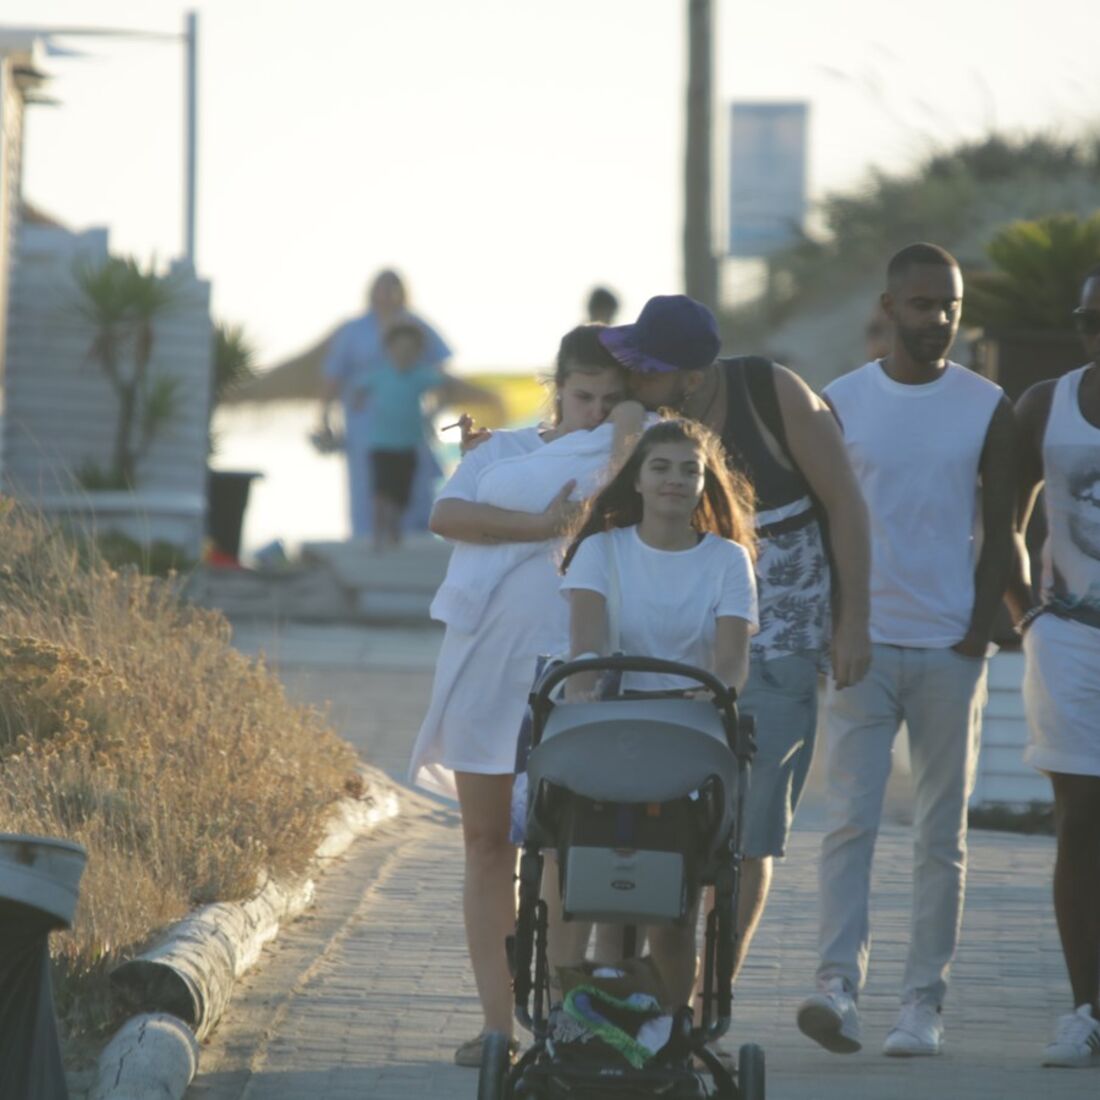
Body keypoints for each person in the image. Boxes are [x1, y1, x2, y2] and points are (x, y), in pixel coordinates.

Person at [595, 294, 872, 988]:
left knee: (749, 835)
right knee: (660, 820)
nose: (633, 382)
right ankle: (645, 986)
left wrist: (853, 622)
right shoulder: (655, 428)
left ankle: (707, 1000)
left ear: (689, 376)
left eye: (645, 372)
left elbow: (845, 504)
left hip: (781, 643)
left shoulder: (772, 392)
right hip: (684, 648)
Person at [796, 242, 1016, 1058]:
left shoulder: (985, 403)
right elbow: (820, 523)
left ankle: (922, 1003)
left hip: (949, 652)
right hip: (863, 645)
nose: (939, 321)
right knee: (849, 824)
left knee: (939, 837)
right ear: (890, 310)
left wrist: (978, 625)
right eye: (924, 306)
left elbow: (1006, 525)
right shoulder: (841, 403)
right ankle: (835, 988)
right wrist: (836, 622)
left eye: (951, 307)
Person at [407, 325, 645, 1067]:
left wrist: (625, 427)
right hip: (486, 664)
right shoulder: (504, 449)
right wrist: (543, 526)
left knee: (562, 849)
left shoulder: (626, 454)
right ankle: (496, 1025)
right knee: (487, 846)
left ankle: (557, 1019)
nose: (595, 412)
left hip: (571, 670)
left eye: (611, 400)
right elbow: (446, 517)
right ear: (558, 387)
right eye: (583, 396)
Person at [560, 418, 759, 1008]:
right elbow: (586, 653)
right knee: (580, 875)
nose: (675, 480)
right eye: (661, 468)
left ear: (704, 484)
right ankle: (567, 1014)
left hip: (687, 736)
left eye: (688, 470)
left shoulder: (727, 560)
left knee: (674, 912)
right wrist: (584, 691)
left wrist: (711, 694)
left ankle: (672, 1027)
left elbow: (730, 665)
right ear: (639, 481)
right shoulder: (602, 550)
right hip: (613, 728)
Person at [1006, 264, 1100, 1069]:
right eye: (1094, 320)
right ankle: (1086, 1010)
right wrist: (1026, 618)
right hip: (1071, 634)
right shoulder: (1049, 403)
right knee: (1079, 820)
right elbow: (999, 513)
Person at [320, 270, 497, 537]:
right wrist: (324, 419)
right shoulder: (353, 330)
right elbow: (333, 378)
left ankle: (412, 536)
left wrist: (435, 412)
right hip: (364, 427)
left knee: (412, 480)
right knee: (369, 483)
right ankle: (371, 538)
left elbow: (443, 375)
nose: (388, 293)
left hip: (409, 423)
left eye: (394, 286)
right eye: (383, 286)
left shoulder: (416, 326)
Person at [357, 320, 444, 548]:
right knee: (380, 492)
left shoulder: (420, 375)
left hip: (408, 444)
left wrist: (435, 411)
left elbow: (442, 386)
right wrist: (357, 402)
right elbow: (360, 389)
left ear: (418, 353)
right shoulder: (380, 374)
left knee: (400, 495)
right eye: (399, 349)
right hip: (381, 443)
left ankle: (394, 528)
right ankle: (377, 534)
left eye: (410, 350)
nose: (404, 354)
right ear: (388, 350)